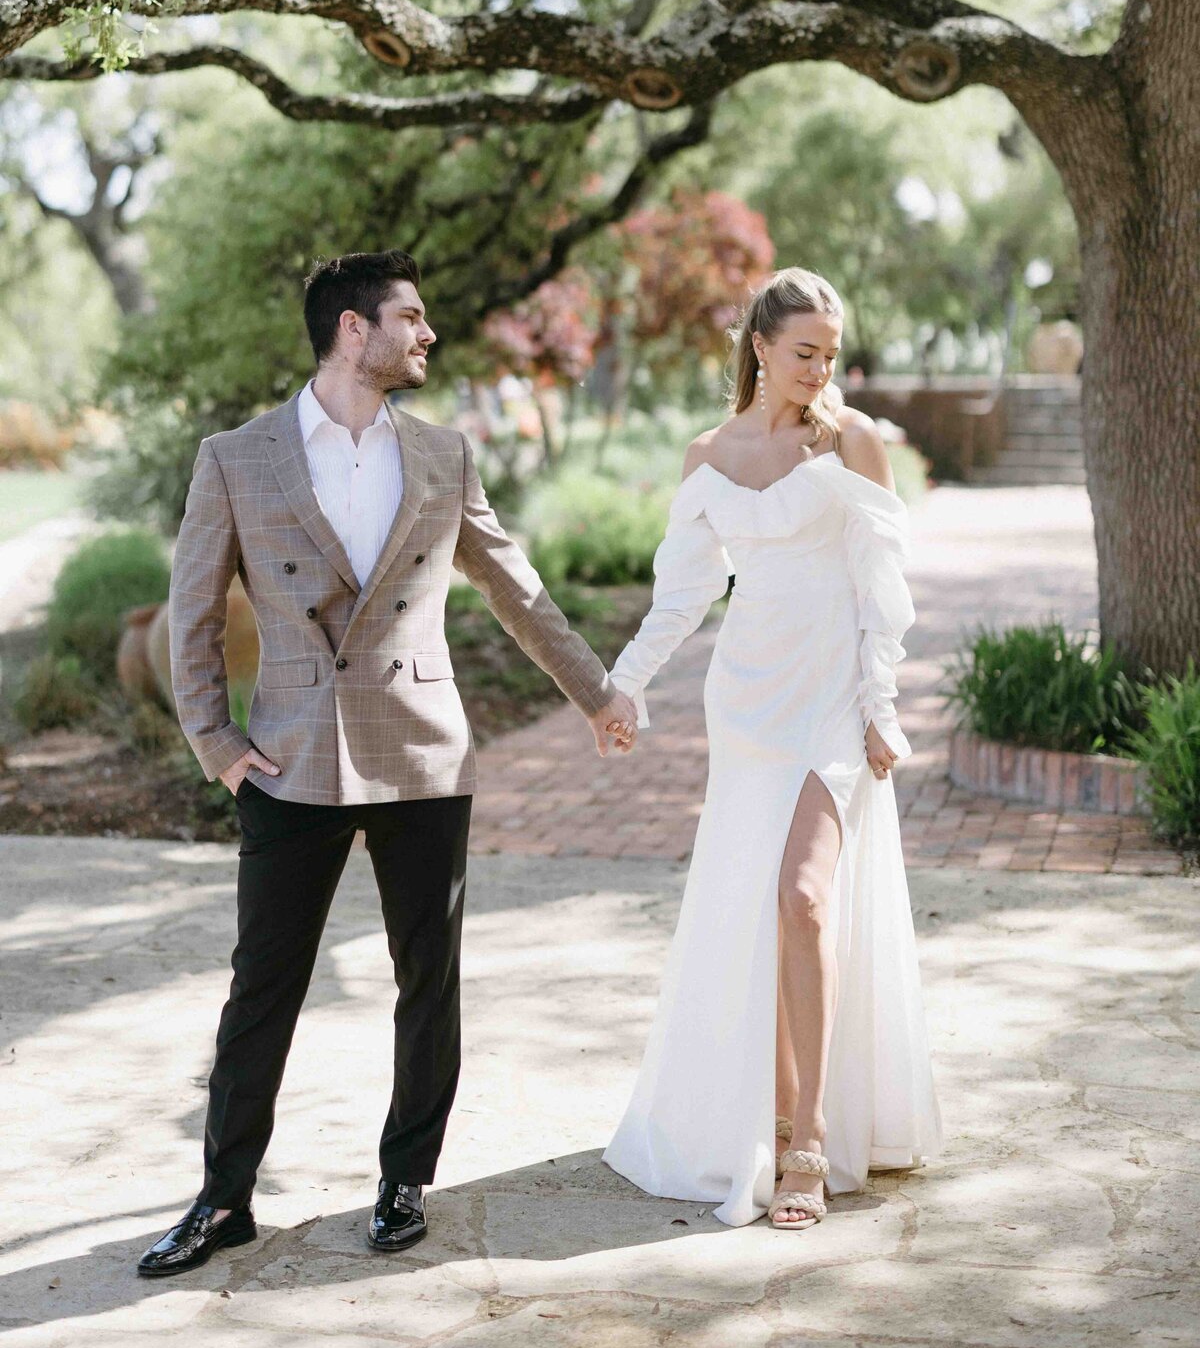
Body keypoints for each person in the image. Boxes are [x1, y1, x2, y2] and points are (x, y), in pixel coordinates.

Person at [138, 248, 637, 1277]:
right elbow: (191, 615)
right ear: (352, 331)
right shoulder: (236, 456)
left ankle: (405, 1179)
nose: (428, 333)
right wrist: (219, 746)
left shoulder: (445, 454)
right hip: (287, 760)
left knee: (428, 980)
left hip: (420, 754)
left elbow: (517, 588)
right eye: (410, 316)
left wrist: (598, 693)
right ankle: (223, 1200)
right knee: (262, 988)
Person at [603, 267, 942, 1229]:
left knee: (805, 896)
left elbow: (883, 584)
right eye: (805, 353)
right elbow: (682, 596)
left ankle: (808, 1142)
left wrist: (881, 704)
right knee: (758, 906)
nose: (820, 371)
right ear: (759, 347)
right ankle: (764, 1110)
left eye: (831, 355)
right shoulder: (707, 456)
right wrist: (622, 686)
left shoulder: (854, 441)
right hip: (746, 699)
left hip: (832, 692)